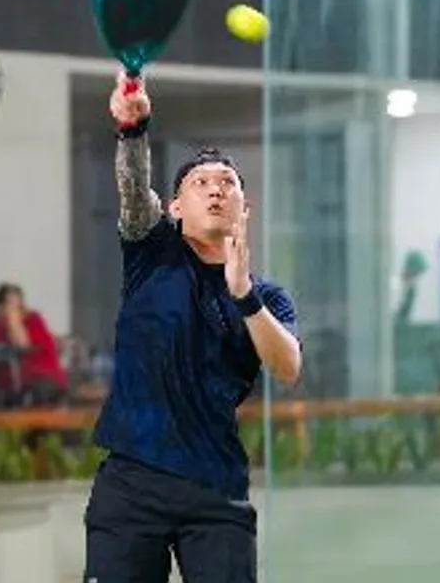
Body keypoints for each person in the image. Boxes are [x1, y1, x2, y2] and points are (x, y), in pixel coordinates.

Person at [84, 73, 302, 583]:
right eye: (200, 183)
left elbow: (287, 366)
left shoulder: (268, 297)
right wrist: (131, 129)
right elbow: (134, 192)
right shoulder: (151, 250)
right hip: (131, 483)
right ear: (176, 208)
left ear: (245, 208)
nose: (215, 189)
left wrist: (243, 294)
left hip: (215, 489)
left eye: (227, 183)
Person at [0, 283, 68, 405]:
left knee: (35, 394)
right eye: (6, 305)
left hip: (41, 376)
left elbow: (23, 346)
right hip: (8, 381)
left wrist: (14, 323)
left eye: (16, 305)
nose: (10, 310)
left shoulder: (33, 320)